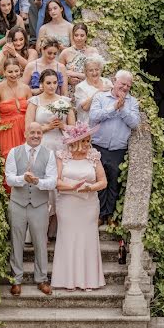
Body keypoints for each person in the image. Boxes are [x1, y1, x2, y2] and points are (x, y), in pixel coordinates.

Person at [51, 122, 108, 291]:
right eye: (84, 141)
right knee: (68, 239)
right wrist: (73, 187)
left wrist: (90, 187)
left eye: (88, 141)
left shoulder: (94, 156)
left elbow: (103, 182)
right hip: (67, 205)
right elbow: (56, 182)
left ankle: (88, 281)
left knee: (87, 240)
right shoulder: (62, 156)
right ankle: (66, 280)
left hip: (88, 205)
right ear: (75, 142)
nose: (87, 145)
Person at [5, 122, 56, 297]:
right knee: (16, 242)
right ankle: (16, 280)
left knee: (40, 243)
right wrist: (23, 179)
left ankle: (41, 279)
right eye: (32, 132)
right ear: (26, 133)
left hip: (39, 205)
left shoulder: (49, 154)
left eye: (39, 132)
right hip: (18, 204)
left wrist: (37, 182)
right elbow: (9, 178)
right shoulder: (14, 152)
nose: (36, 135)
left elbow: (52, 181)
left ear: (42, 135)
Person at [89, 70, 141, 224]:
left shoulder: (132, 102)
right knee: (99, 180)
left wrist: (122, 108)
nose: (125, 88)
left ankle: (110, 215)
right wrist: (113, 107)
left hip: (118, 148)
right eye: (122, 84)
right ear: (114, 81)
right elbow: (93, 117)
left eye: (128, 86)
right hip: (99, 145)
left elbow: (134, 123)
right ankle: (99, 215)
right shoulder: (100, 97)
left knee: (114, 182)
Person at [24, 69, 76, 152]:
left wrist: (63, 126)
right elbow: (28, 129)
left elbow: (74, 129)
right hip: (41, 143)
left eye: (55, 82)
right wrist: (48, 127)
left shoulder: (65, 101)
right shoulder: (34, 101)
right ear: (42, 84)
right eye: (48, 83)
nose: (52, 86)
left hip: (61, 144)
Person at [59, 23, 101, 88]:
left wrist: (76, 74)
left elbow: (97, 75)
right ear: (72, 36)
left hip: (89, 89)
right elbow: (59, 75)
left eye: (82, 35)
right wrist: (68, 80)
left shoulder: (93, 52)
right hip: (71, 91)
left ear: (86, 36)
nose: (79, 38)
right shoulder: (65, 52)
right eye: (76, 35)